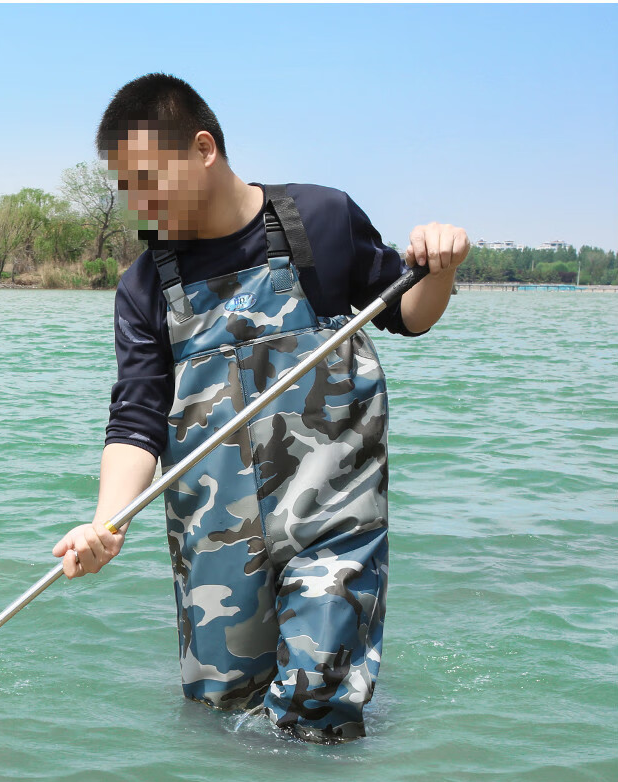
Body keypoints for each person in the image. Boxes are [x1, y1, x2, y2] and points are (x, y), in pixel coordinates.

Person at [52, 73, 469, 743]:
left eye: (147, 180)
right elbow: (136, 418)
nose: (138, 204)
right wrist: (107, 525)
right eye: (126, 189)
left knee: (317, 707)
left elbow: (409, 315)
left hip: (330, 520)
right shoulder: (144, 287)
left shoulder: (320, 220)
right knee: (222, 728)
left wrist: (439, 268)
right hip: (214, 542)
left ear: (202, 149)